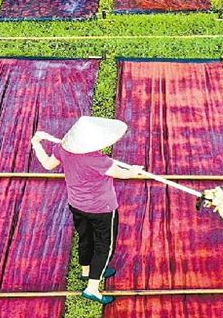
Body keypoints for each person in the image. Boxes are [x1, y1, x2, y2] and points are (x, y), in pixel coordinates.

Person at [31, 116, 142, 305]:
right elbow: (122, 174)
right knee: (104, 246)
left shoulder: (62, 149)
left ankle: (86, 270)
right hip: (102, 209)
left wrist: (36, 143)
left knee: (85, 237)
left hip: (77, 205)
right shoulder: (99, 160)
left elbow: (48, 165)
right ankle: (92, 288)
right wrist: (133, 171)